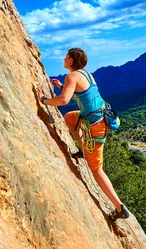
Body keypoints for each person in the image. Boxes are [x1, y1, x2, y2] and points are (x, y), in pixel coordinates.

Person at [36, 48, 130, 220]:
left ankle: (119, 208)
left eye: (66, 57)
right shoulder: (86, 74)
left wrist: (43, 100)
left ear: (71, 60)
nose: (63, 59)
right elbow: (82, 94)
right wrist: (62, 87)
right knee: (70, 118)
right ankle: (83, 149)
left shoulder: (71, 76)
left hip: (96, 125)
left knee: (96, 169)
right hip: (99, 117)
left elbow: (63, 100)